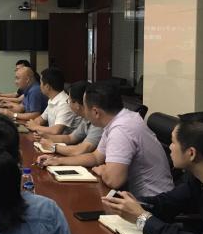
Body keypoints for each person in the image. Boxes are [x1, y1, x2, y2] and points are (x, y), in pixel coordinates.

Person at [42, 82, 173, 197]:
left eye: (85, 107)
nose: (84, 112)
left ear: (96, 112)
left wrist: (102, 169)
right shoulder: (118, 120)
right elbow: (95, 157)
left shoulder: (121, 129)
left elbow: (113, 180)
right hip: (135, 199)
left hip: (151, 204)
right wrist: (59, 161)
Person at [35, 81, 103, 160]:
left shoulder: (98, 122)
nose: (68, 103)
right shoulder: (86, 119)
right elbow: (70, 138)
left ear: (77, 104)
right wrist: (46, 136)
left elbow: (83, 149)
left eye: (68, 100)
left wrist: (53, 147)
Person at [26, 68, 81, 136]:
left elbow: (56, 131)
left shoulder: (65, 103)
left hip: (66, 141)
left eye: (41, 83)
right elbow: (41, 119)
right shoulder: (52, 99)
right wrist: (35, 125)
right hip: (53, 139)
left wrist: (36, 127)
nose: (40, 86)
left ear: (47, 87)